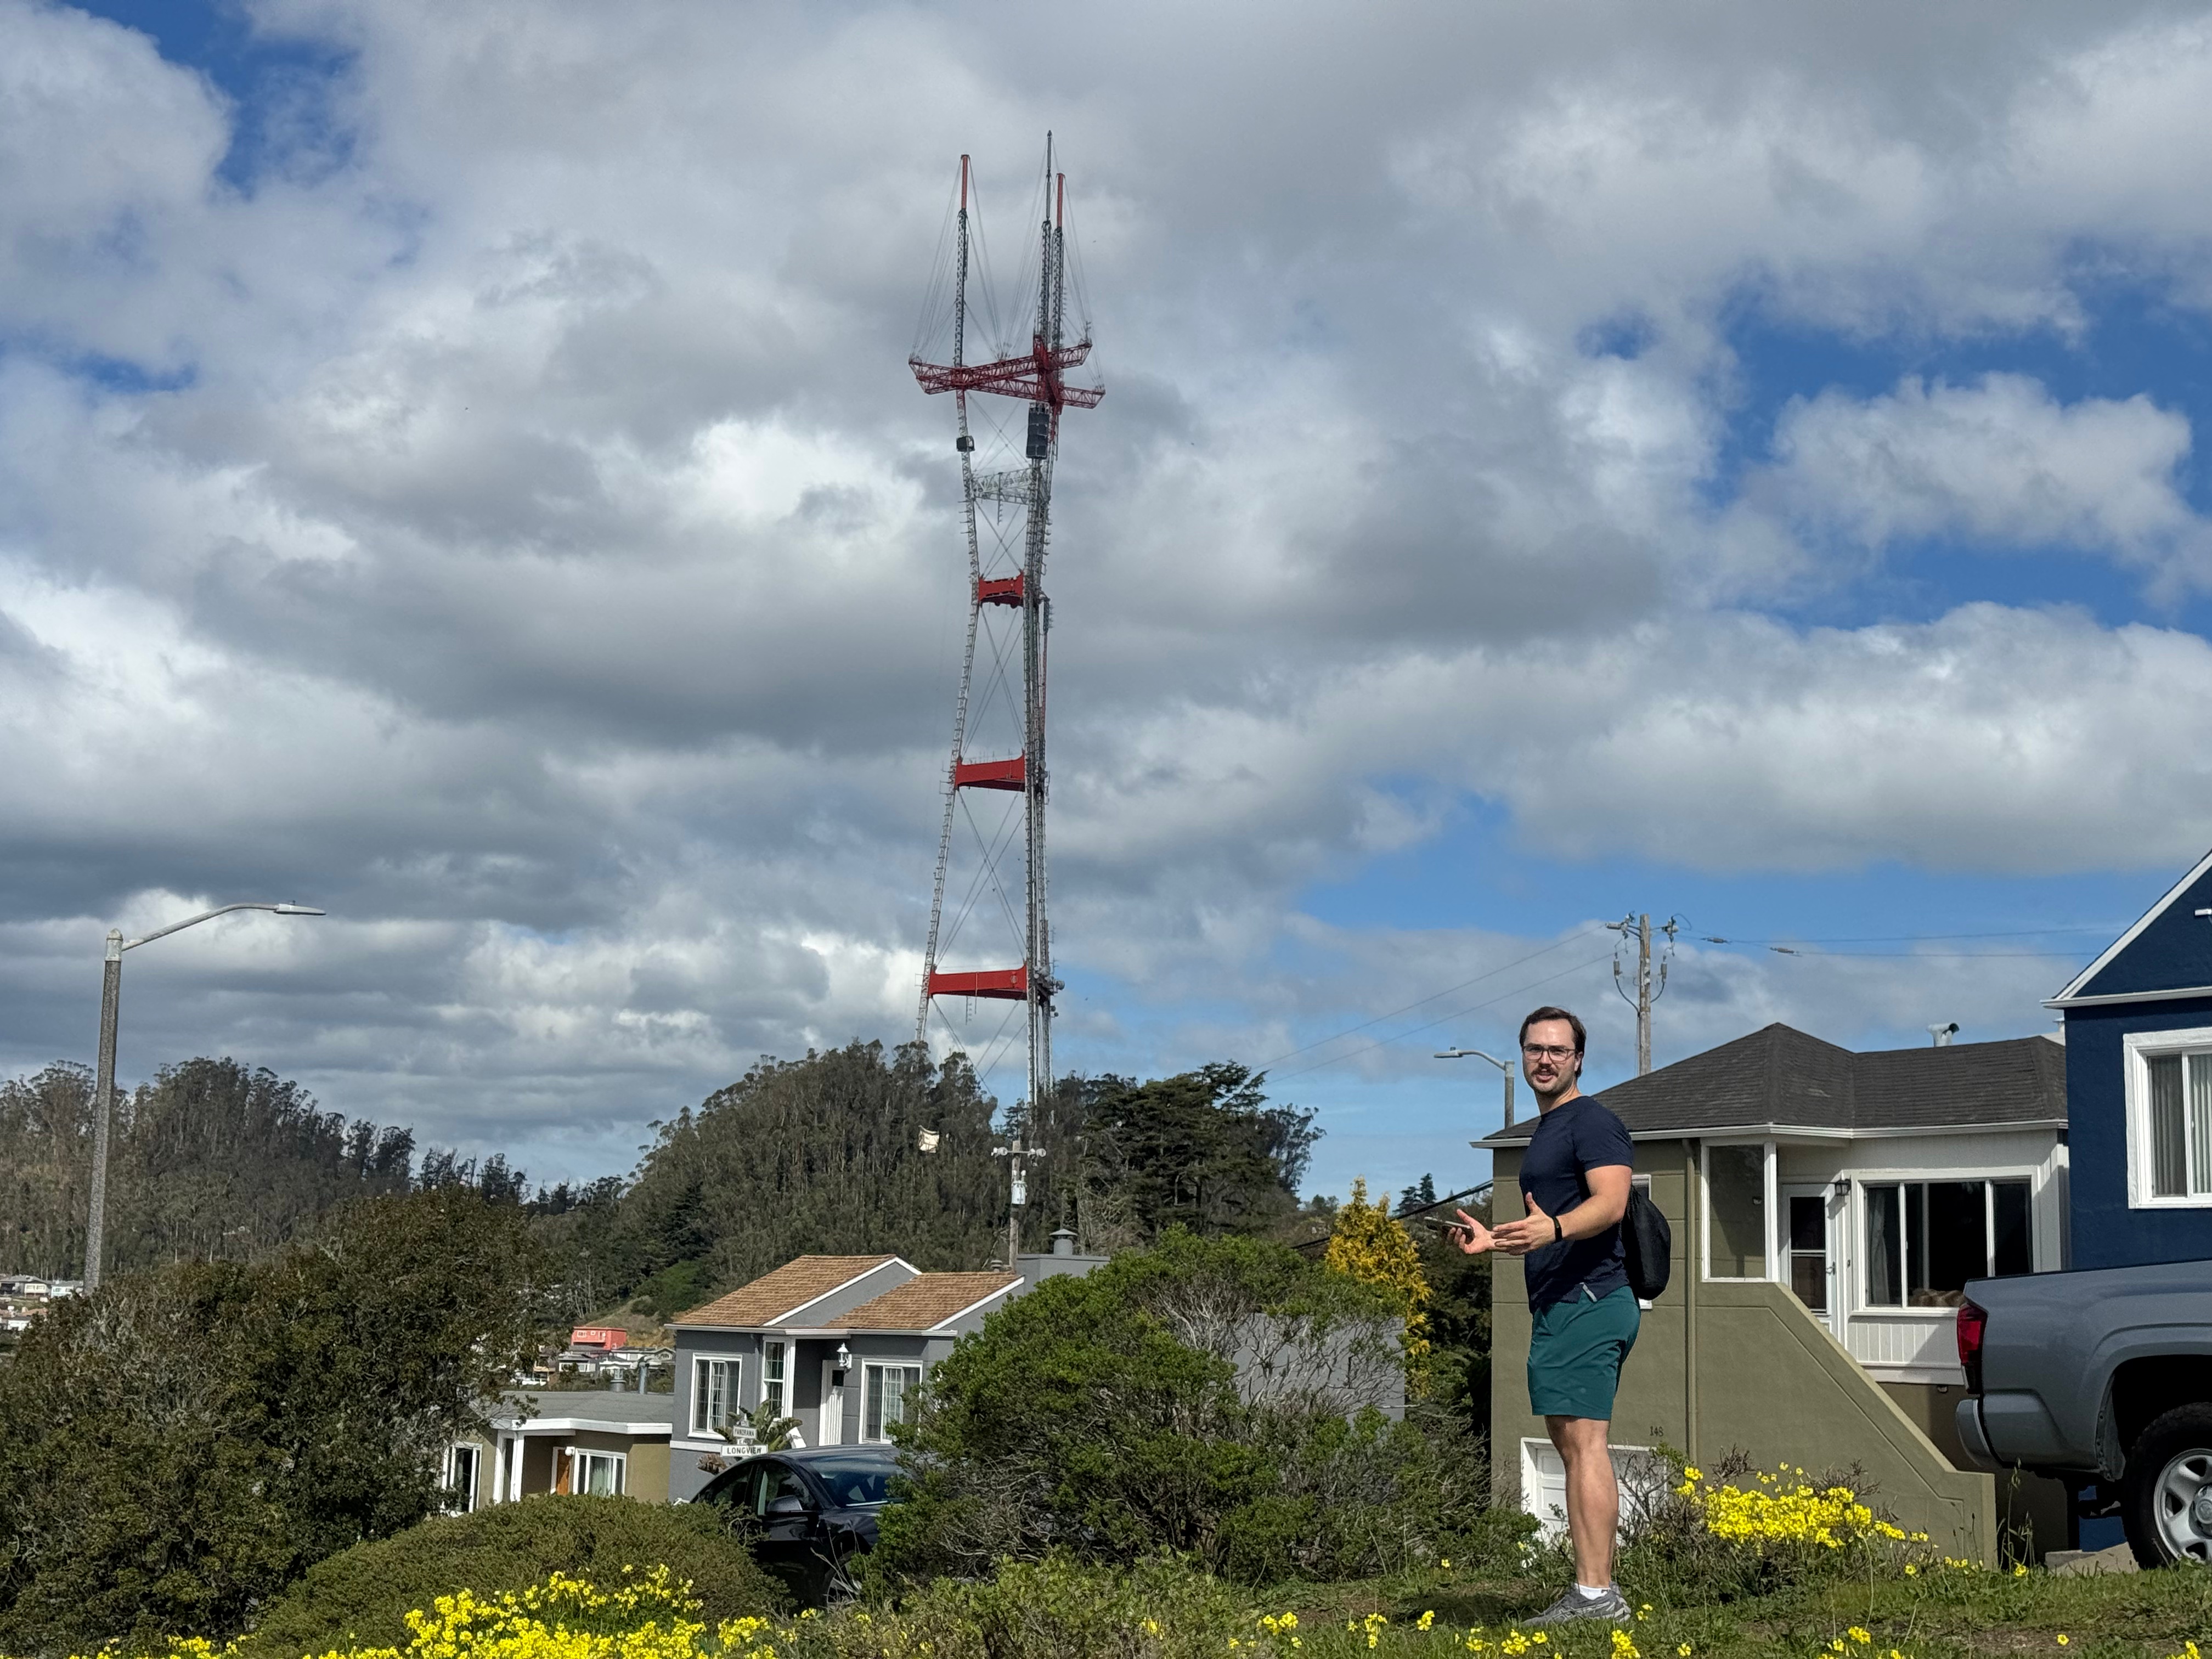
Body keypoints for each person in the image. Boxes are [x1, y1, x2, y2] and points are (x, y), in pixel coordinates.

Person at [1449, 1006, 1636, 1625]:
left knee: (1585, 1444)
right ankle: (1594, 1591)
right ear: (1523, 1055)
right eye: (1535, 1049)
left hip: (1589, 1299)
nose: (1545, 1059)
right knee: (1572, 1443)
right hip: (1565, 1302)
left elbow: (1611, 1204)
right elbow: (1547, 1225)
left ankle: (1596, 1597)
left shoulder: (1593, 1122)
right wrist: (1496, 1241)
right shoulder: (1549, 1128)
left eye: (1558, 1050)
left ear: (1579, 1059)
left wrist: (1553, 1228)